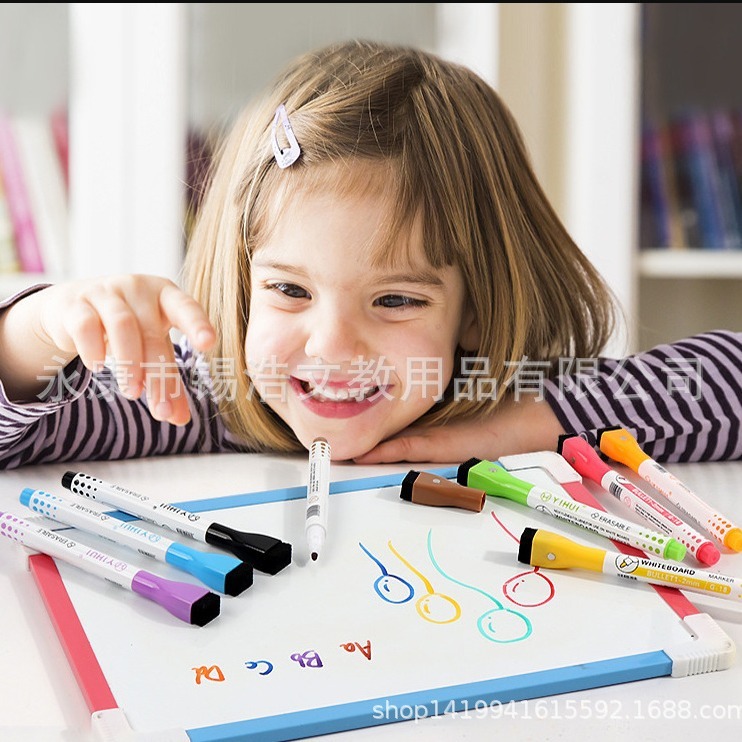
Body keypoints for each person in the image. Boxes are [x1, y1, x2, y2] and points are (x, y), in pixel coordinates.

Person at [0, 40, 740, 471]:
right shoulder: (198, 397)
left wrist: (524, 425)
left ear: (477, 307)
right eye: (289, 290)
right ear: (243, 282)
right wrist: (33, 331)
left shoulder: (497, 387)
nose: (333, 349)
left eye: (395, 301)